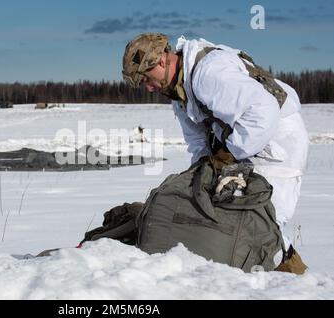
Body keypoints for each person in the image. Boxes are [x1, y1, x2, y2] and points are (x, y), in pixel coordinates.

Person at [122, 32, 309, 274]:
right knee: (232, 212)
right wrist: (202, 171)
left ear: (161, 61)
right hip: (248, 144)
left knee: (262, 220)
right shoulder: (179, 92)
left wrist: (228, 153)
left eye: (146, 79)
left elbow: (264, 112)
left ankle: (293, 280)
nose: (147, 87)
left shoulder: (208, 74)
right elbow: (197, 140)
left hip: (278, 146)